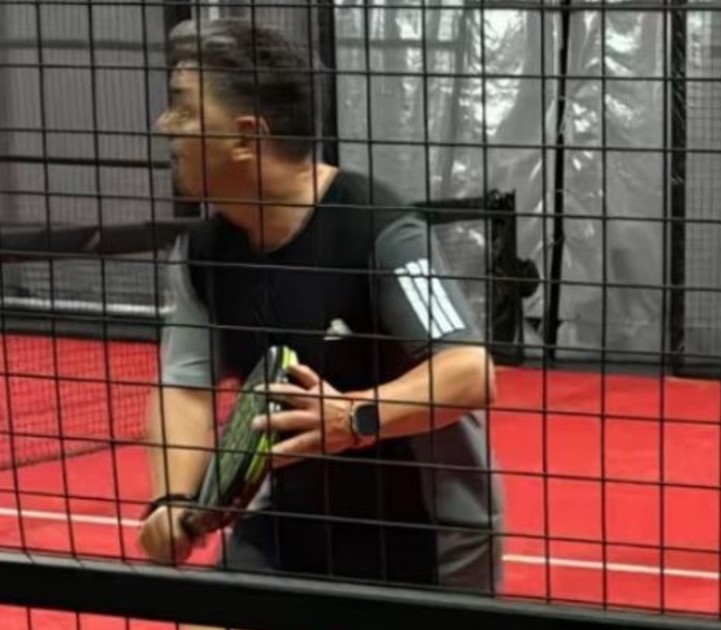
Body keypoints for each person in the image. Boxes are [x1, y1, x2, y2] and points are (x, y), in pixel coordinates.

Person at [136, 17, 505, 624]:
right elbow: (185, 385)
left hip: (424, 533)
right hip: (294, 516)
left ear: (245, 136)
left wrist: (355, 417)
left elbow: (469, 371)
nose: (165, 126)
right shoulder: (202, 254)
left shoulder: (381, 229)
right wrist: (173, 497)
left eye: (184, 108)